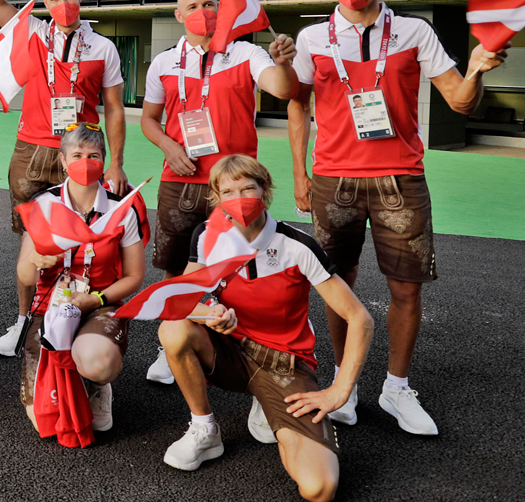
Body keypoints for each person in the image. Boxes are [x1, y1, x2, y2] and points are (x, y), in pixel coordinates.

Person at [287, 0, 505, 435]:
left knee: (406, 288)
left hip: (400, 178)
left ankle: (396, 387)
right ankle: (346, 384)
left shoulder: (412, 31)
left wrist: (476, 70)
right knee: (335, 286)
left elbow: (460, 101)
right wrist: (299, 173)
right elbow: (295, 102)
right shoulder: (313, 37)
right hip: (332, 179)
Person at [158, 156, 374, 502]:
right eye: (228, 191)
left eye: (248, 188)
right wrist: (210, 315)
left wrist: (340, 390)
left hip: (283, 362)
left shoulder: (297, 245)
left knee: (319, 488)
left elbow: (360, 318)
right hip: (229, 349)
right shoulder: (207, 236)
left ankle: (266, 401)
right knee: (174, 330)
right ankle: (204, 428)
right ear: (216, 197)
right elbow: (182, 301)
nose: (239, 197)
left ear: (265, 190)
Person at [139, 0, 298, 384]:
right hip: (180, 179)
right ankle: (172, 342)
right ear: (178, 15)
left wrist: (282, 63)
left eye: (209, 3)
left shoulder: (246, 52)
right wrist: (168, 145)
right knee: (176, 266)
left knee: (237, 266)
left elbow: (282, 88)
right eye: (191, 5)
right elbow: (148, 119)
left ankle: (238, 345)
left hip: (234, 186)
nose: (202, 11)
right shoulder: (163, 63)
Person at [0, 0, 126, 356]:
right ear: (44, 1)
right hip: (31, 149)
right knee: (33, 242)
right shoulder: (33, 32)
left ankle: (74, 313)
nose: (63, 5)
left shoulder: (102, 47)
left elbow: (115, 108)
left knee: (83, 239)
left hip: (80, 152)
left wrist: (115, 161)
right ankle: (25, 318)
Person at [14, 124, 144, 434]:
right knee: (43, 418)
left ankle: (98, 384)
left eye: (93, 155)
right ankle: (70, 377)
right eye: (77, 155)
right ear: (62, 160)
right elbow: (24, 275)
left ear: (103, 160)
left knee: (98, 361)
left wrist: (97, 299)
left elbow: (135, 277)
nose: (85, 162)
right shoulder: (43, 204)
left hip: (99, 304)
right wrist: (36, 261)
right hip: (51, 306)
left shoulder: (121, 209)